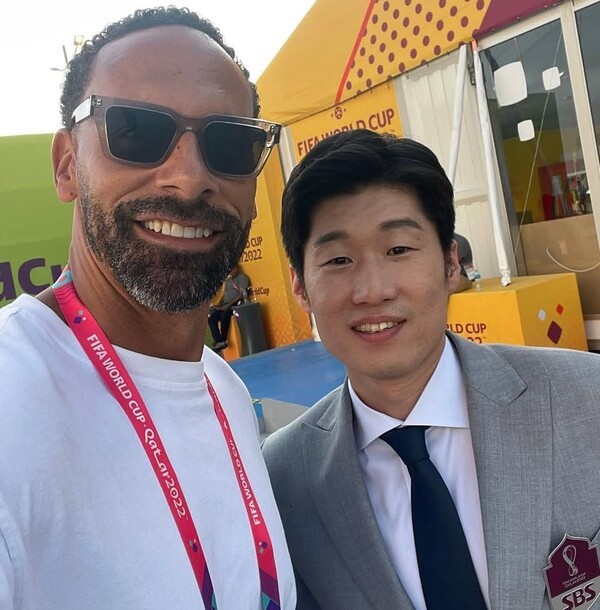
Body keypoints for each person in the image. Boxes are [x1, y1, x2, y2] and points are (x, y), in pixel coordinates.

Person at [0, 7, 296, 609]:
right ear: (66, 166)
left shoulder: (224, 389)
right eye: (135, 131)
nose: (188, 178)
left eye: (230, 143)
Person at [262, 129, 600, 610]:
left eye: (398, 250)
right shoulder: (283, 477)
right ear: (300, 287)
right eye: (338, 260)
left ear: (450, 263)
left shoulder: (586, 398)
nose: (372, 290)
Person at [208, 264, 250, 350]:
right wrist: (219, 305)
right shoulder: (228, 281)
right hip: (225, 305)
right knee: (212, 318)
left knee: (224, 315)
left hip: (235, 304)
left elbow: (242, 295)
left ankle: (222, 340)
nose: (231, 271)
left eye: (233, 269)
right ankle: (219, 340)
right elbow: (224, 295)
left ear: (237, 268)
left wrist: (228, 305)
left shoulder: (242, 278)